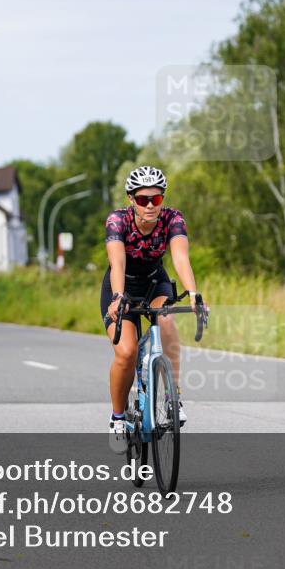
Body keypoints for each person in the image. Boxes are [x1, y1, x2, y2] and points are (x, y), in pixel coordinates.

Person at [102, 165, 204, 441]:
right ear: (131, 199)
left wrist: (193, 293)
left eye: (156, 198)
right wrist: (118, 297)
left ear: (162, 198)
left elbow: (180, 258)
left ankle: (173, 398)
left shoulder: (172, 219)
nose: (150, 205)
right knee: (127, 352)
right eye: (143, 199)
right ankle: (118, 417)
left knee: (166, 320)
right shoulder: (117, 221)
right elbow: (117, 262)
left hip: (154, 281)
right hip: (121, 285)